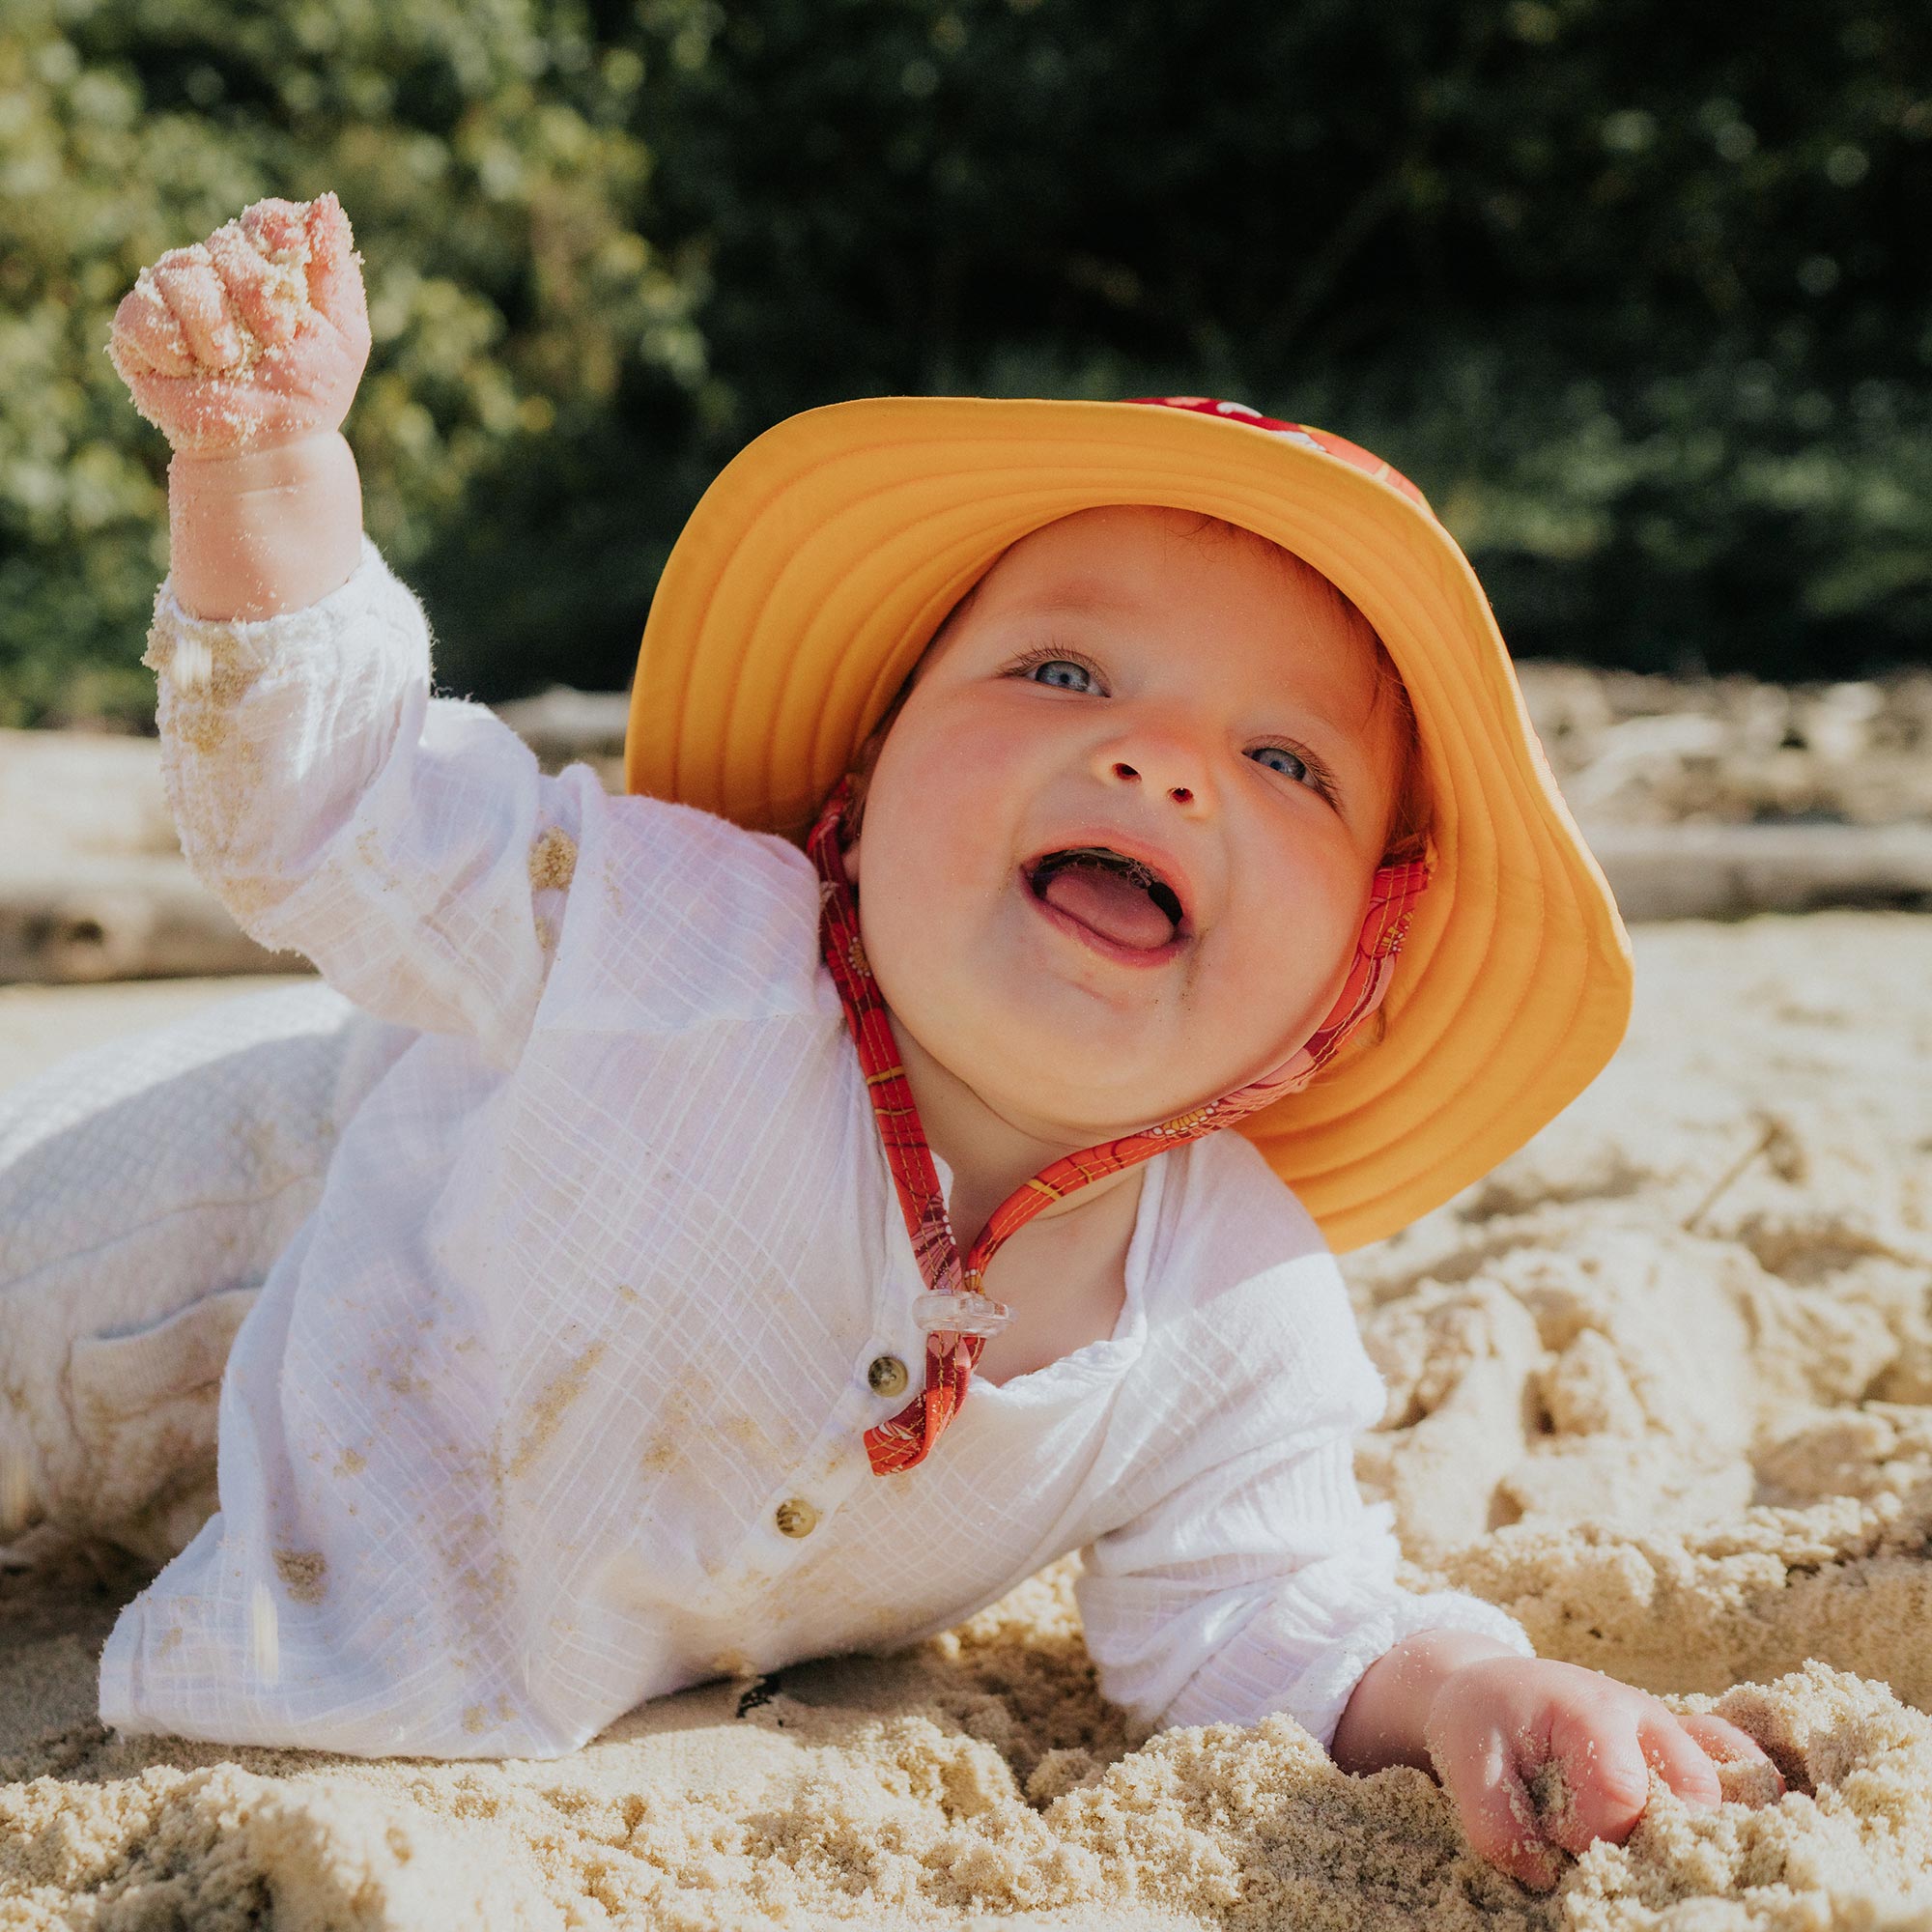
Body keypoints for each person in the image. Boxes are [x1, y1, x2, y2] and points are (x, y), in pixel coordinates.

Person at [0, 192, 1781, 1889]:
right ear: (864, 783)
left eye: (1286, 763)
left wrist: (1471, 1693)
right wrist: (269, 470)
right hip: (157, 1255)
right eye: (1065, 676)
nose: (1161, 763)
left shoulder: (1234, 1305)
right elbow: (343, 809)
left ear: (1353, 981)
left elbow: (1262, 1609)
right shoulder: (661, 928)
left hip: (351, 1571)